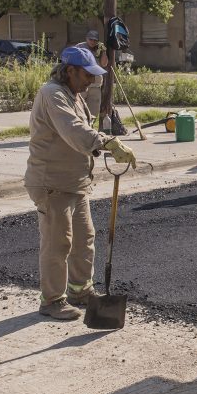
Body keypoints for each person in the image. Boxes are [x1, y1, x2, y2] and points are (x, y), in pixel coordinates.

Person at [25, 46, 137, 320]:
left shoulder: (74, 95)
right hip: (52, 182)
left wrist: (105, 141)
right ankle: (51, 300)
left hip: (75, 182)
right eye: (87, 75)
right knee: (57, 243)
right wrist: (105, 142)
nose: (92, 81)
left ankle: (80, 290)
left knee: (84, 239)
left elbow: (83, 128)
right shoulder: (52, 94)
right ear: (70, 70)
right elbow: (73, 131)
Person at [76, 30, 107, 125]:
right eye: (91, 39)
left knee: (94, 110)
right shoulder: (79, 47)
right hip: (82, 82)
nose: (93, 42)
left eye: (95, 40)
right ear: (86, 38)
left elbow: (104, 64)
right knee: (79, 108)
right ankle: (80, 127)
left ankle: (90, 127)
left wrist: (104, 51)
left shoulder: (99, 49)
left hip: (95, 83)